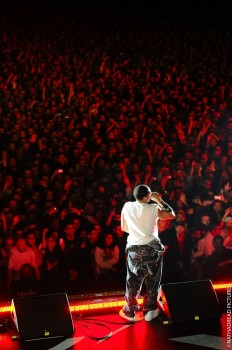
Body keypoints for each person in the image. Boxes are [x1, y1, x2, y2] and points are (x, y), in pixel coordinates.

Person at [119, 184, 175, 322]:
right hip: (151, 249)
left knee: (132, 281)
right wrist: (159, 200)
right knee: (153, 280)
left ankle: (130, 311)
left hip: (134, 249)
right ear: (146, 197)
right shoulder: (154, 208)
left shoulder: (127, 206)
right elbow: (171, 215)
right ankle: (149, 310)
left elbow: (124, 227)